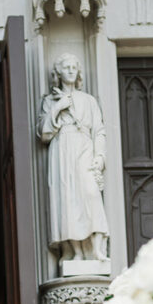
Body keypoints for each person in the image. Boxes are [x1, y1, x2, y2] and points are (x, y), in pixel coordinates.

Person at [37, 52, 109, 261]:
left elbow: (99, 130)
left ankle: (96, 249)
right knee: (67, 199)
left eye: (74, 68)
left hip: (84, 147)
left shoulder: (89, 100)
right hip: (62, 150)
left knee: (91, 194)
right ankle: (77, 252)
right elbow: (43, 133)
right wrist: (58, 107)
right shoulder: (50, 101)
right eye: (66, 67)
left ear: (79, 73)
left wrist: (100, 156)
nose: (70, 71)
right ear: (58, 72)